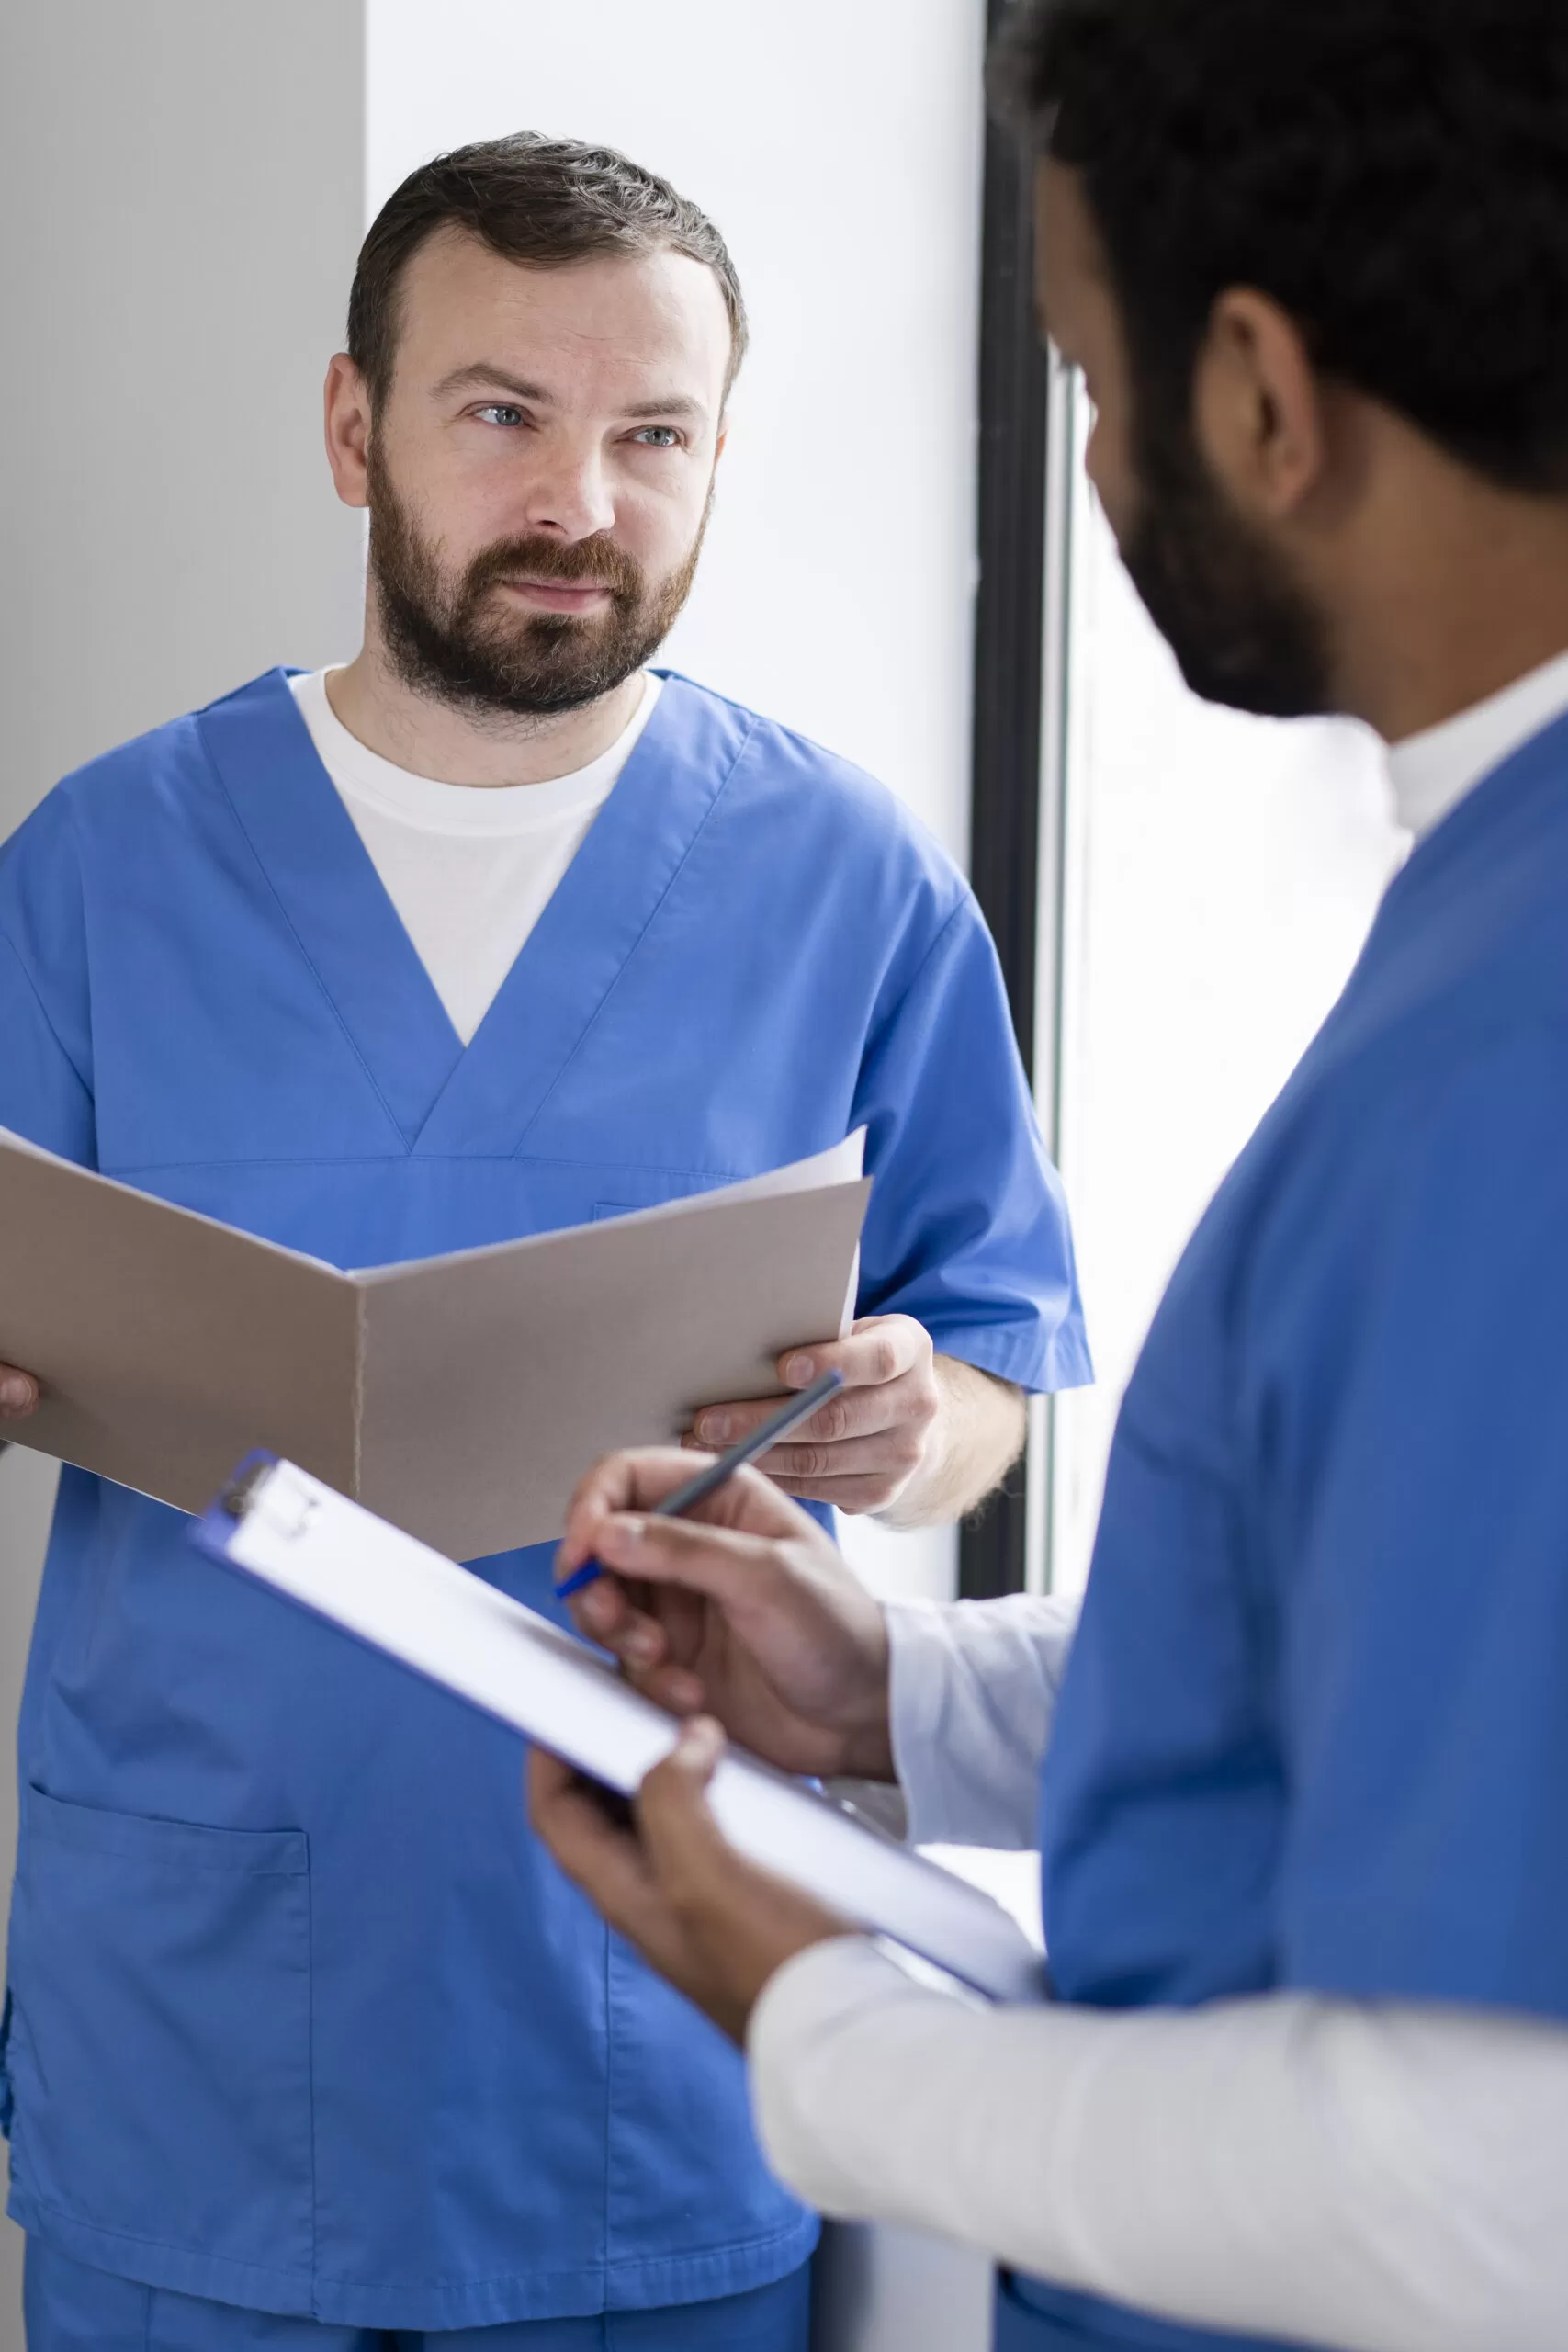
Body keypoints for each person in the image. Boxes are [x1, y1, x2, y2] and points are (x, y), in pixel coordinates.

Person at [530, 4, 1568, 2347]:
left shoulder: (1507, 1065)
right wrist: (895, 1684)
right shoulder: (1486, 911)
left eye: (1089, 382)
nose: (1095, 467)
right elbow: (1403, 1654)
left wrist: (827, 2025)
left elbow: (1500, 2187)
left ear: (1263, 398)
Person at [0, 136, 1089, 2349]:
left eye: (653, 434)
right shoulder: (102, 864)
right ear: (353, 428)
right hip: (194, 2014)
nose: (581, 499)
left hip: (652, 2014)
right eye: (502, 413)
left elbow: (988, 1378)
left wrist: (911, 1415)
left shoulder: (847, 879)